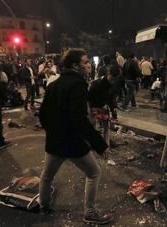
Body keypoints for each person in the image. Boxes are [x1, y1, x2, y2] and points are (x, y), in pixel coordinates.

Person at [38, 49, 113, 225]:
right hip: (72, 143)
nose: (89, 66)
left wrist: (52, 131)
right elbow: (80, 119)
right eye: (85, 62)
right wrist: (100, 145)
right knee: (94, 173)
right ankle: (90, 212)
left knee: (47, 176)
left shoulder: (54, 83)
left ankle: (43, 205)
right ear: (75, 65)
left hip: (55, 141)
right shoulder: (77, 85)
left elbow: (42, 114)